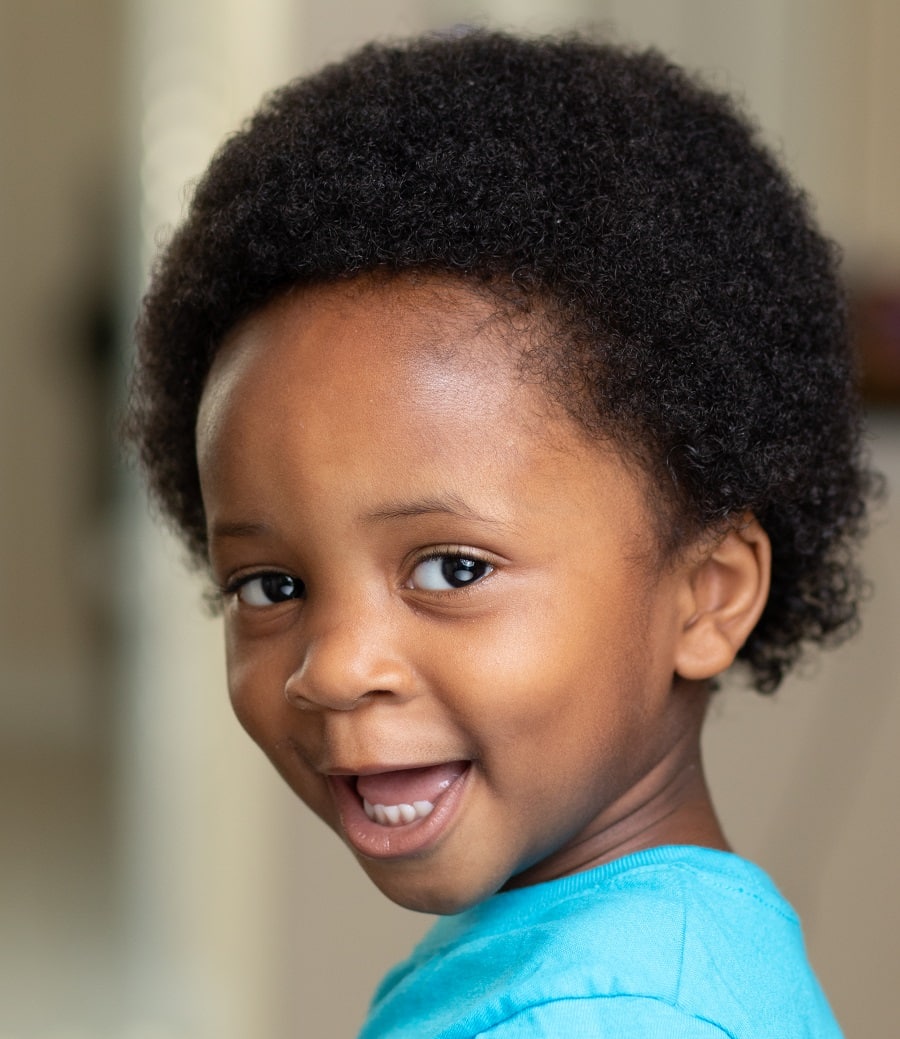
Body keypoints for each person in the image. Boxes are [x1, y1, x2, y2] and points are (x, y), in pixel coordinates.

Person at [126, 29, 875, 1038]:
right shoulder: (629, 956)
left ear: (708, 595)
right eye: (270, 585)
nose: (334, 668)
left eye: (451, 567)